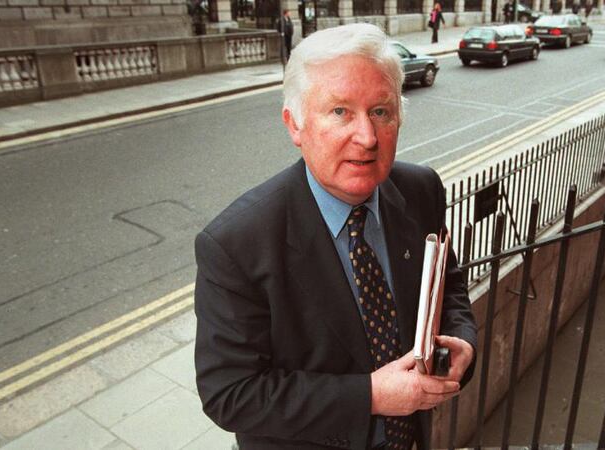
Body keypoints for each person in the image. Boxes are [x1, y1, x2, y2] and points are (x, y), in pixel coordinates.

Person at [194, 23, 478, 450]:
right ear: (295, 125)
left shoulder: (422, 190)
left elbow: (448, 286)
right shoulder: (236, 243)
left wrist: (464, 345)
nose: (366, 138)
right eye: (340, 112)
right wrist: (371, 396)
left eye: (380, 112)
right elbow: (231, 393)